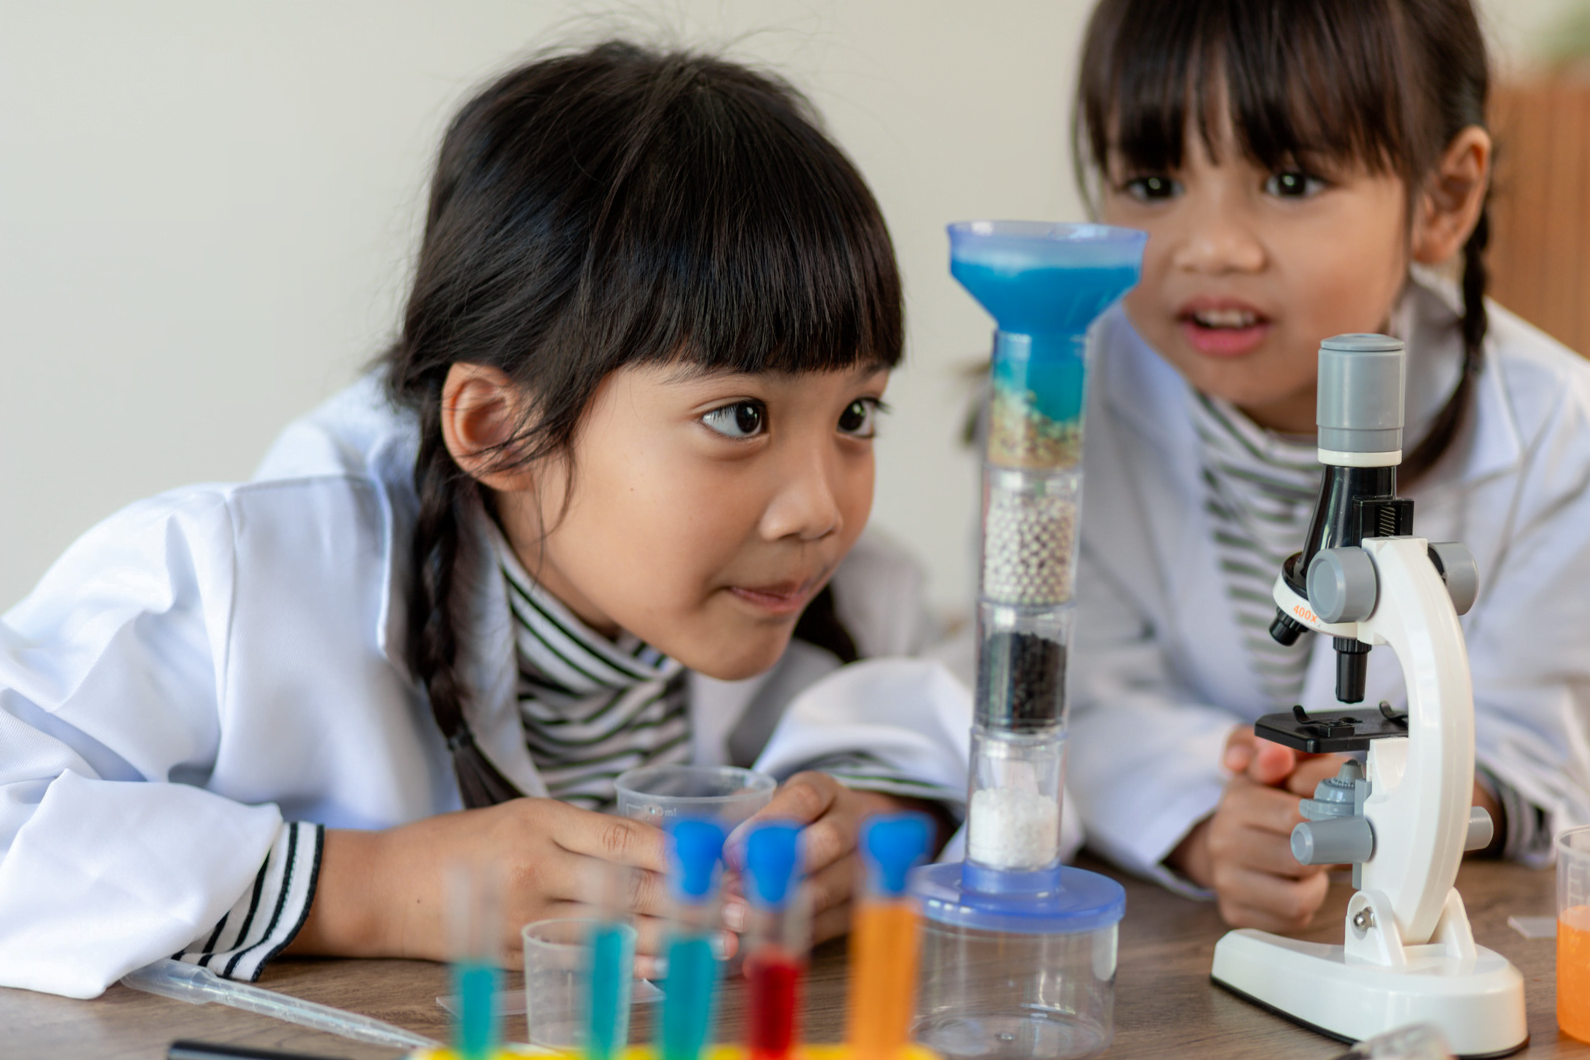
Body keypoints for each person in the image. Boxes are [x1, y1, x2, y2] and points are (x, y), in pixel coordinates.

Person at [0, 41, 959, 999]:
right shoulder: (236, 576)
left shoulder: (834, 583)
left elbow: (968, 710)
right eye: (739, 417)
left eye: (856, 415)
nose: (822, 508)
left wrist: (872, 815)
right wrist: (380, 889)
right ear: (501, 429)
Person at [1062, 0, 1590, 931]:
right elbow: (1078, 693)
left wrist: (1401, 790)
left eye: (1293, 180)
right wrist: (1207, 816)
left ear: (1442, 199)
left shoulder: (1560, 435)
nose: (1210, 246)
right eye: (1152, 183)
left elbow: (1539, 755)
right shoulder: (1070, 396)